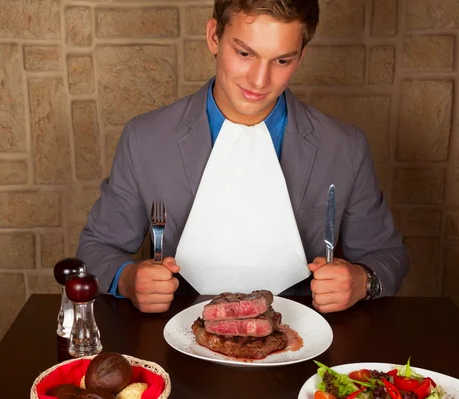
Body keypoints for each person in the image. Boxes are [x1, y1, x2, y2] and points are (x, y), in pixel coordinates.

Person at [76, 0, 408, 314]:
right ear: (213, 36)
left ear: (301, 56)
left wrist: (364, 281)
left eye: (282, 60)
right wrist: (128, 279)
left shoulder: (345, 147)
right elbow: (96, 248)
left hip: (302, 344)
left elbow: (387, 254)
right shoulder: (144, 139)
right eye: (245, 53)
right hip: (178, 340)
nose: (259, 80)